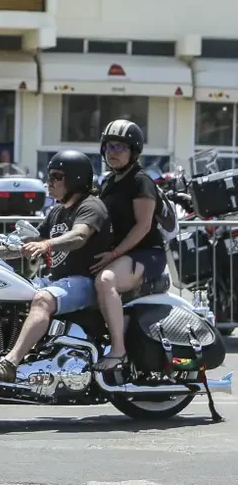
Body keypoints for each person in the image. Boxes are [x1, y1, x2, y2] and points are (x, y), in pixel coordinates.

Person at [0, 150, 112, 382]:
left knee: (43, 299)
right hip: (58, 281)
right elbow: (28, 244)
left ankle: (10, 363)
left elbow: (79, 236)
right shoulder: (57, 211)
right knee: (5, 294)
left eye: (56, 177)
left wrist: (47, 245)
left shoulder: (91, 206)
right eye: (49, 176)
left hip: (85, 282)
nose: (48, 183)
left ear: (76, 179)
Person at [90, 119, 168, 371]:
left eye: (120, 147)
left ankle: (119, 350)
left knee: (106, 280)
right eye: (109, 146)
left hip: (145, 254)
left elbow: (143, 226)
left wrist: (114, 253)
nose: (112, 152)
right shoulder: (109, 182)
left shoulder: (140, 181)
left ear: (133, 151)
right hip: (121, 253)